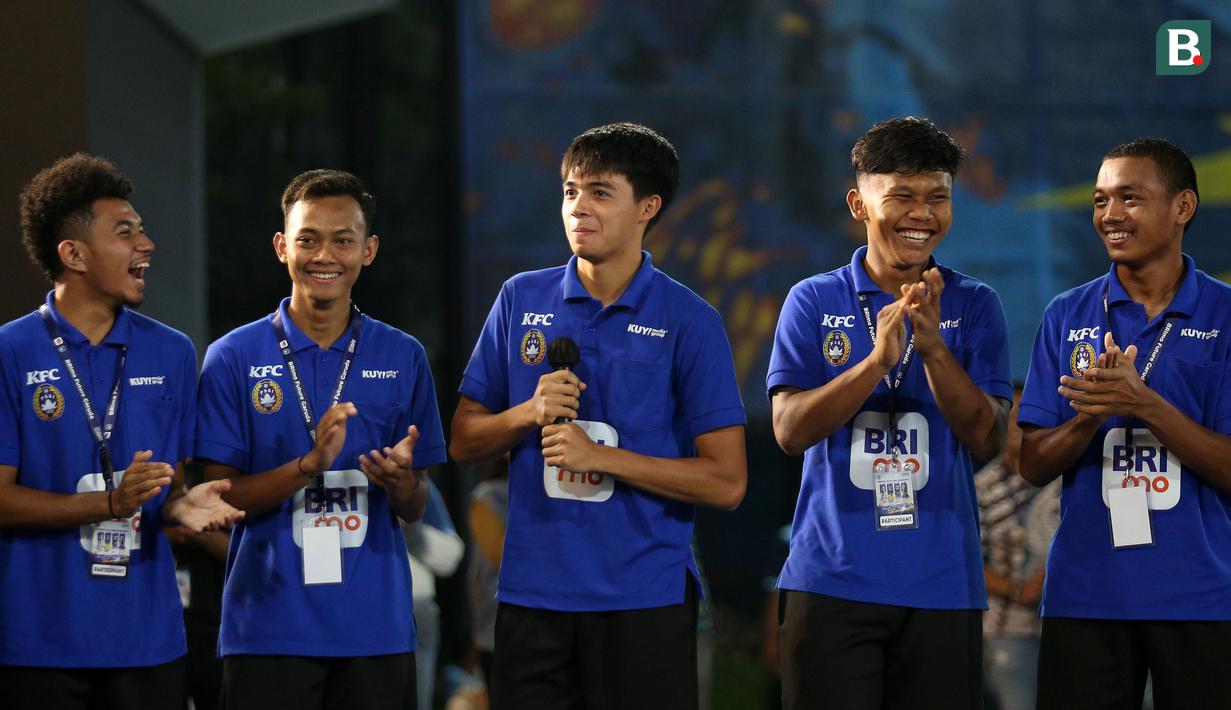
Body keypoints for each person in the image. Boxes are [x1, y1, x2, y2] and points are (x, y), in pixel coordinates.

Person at [450, 122, 748, 710]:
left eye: (600, 193)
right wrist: (528, 413)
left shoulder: (691, 320)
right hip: (532, 598)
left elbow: (728, 481)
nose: (578, 207)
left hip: (642, 600)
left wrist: (602, 459)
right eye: (569, 191)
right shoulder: (519, 298)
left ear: (648, 207)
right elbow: (462, 440)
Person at [767, 116, 1012, 709]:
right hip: (831, 581)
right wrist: (875, 364)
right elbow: (789, 430)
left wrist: (933, 351)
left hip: (942, 587)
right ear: (859, 202)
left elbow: (988, 437)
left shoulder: (976, 305)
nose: (921, 214)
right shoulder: (812, 299)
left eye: (937, 198)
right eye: (902, 195)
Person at [195, 169, 446, 710]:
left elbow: (417, 503)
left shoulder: (403, 356)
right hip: (267, 628)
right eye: (307, 239)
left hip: (375, 631)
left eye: (343, 240)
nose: (323, 255)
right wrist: (307, 465)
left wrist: (402, 483)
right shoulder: (233, 357)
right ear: (282, 246)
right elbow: (215, 500)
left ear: (369, 250)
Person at [0, 153, 242, 709]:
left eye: (143, 229)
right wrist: (107, 503)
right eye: (125, 231)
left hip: (148, 644)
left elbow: (168, 491)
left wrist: (184, 507)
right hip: (38, 645)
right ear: (74, 254)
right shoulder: (11, 352)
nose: (146, 244)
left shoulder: (173, 350)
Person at [1018, 137, 1231, 709]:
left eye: (1129, 198)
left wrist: (1144, 405)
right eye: (1099, 200)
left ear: (1182, 207)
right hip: (1085, 598)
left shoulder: (1226, 315)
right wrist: (1087, 420)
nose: (1109, 215)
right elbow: (1031, 463)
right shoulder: (1067, 314)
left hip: (1203, 598)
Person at [974, 389, 1058, 710]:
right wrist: (1017, 589)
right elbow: (966, 562)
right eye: (1015, 417)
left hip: (1063, 626)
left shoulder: (1062, 477)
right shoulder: (982, 487)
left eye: (1031, 418)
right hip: (1008, 628)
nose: (1022, 426)